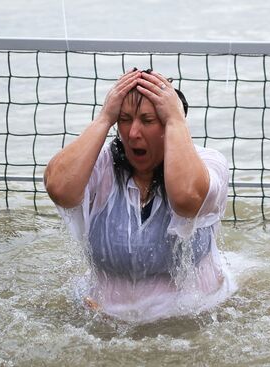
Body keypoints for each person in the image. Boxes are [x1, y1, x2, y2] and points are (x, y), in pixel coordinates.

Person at [44, 68, 234, 323]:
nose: (133, 133)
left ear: (169, 125)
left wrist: (177, 119)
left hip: (192, 316)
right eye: (124, 119)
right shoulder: (101, 167)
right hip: (106, 316)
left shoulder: (210, 163)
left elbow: (187, 198)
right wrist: (104, 118)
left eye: (147, 120)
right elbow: (59, 189)